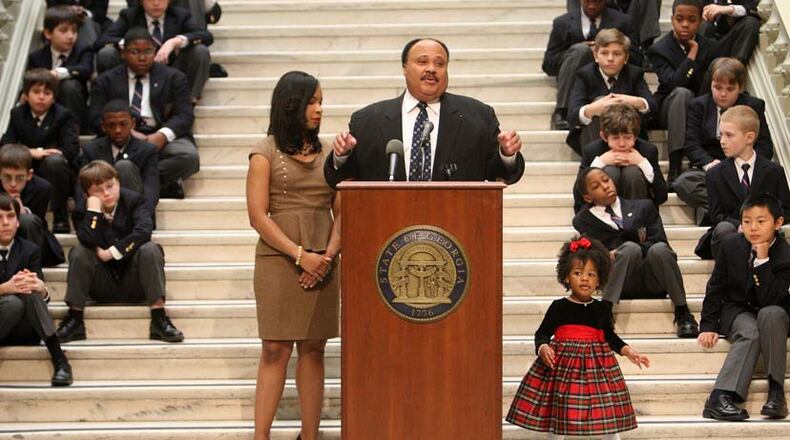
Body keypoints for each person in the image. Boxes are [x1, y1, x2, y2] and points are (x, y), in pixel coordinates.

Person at [246, 71, 340, 440]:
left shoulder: (332, 152)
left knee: (314, 349)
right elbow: (257, 216)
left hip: (326, 259)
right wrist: (302, 256)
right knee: (275, 348)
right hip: (279, 259)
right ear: (292, 105)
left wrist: (327, 257)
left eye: (321, 101)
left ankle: (310, 435)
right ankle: (261, 436)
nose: (319, 109)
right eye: (313, 101)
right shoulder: (263, 152)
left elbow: (343, 211)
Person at [324, 38, 524, 187]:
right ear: (404, 68)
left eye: (440, 64)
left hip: (456, 227)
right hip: (387, 228)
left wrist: (507, 154)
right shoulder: (367, 120)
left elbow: (501, 174)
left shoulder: (478, 116)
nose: (431, 69)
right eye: (422, 62)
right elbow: (338, 180)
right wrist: (342, 156)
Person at [506, 236, 648, 439]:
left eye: (591, 274)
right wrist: (543, 347)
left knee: (605, 409)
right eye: (578, 273)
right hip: (563, 368)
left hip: (597, 368)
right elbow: (542, 333)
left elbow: (610, 337)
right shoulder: (559, 307)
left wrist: (629, 352)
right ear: (566, 277)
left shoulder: (601, 309)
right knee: (561, 409)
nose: (585, 279)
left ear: (599, 280)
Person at [55, 160, 183, 343]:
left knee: (151, 249)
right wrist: (94, 212)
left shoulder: (134, 200)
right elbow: (87, 240)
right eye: (98, 190)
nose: (106, 193)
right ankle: (74, 319)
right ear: (87, 195)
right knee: (79, 252)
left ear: (118, 182)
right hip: (101, 284)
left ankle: (159, 319)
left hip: (135, 281)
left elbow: (144, 231)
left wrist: (112, 252)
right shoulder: (84, 210)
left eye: (110, 186)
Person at [573, 167, 700, 337]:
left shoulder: (643, 206)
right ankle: (605, 309)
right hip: (620, 282)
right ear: (588, 197)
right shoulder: (583, 220)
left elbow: (659, 240)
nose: (605, 186)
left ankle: (683, 312)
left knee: (659, 250)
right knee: (629, 249)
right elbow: (595, 258)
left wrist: (624, 249)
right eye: (596, 186)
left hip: (653, 277)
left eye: (606, 179)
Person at [698, 193, 790, 421]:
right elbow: (716, 287)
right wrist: (707, 325)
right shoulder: (730, 245)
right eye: (747, 221)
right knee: (750, 333)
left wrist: (762, 261)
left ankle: (776, 395)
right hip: (739, 309)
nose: (753, 227)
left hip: (775, 313)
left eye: (761, 221)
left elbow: (773, 299)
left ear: (778, 223)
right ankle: (720, 398)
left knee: (770, 314)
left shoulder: (786, 254)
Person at [89, 27, 199, 199]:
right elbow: (95, 117)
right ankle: (153, 184)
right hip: (120, 136)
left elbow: (185, 115)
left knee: (189, 156)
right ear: (123, 53)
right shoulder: (106, 80)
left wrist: (161, 136)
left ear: (154, 51)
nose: (142, 57)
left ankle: (139, 181)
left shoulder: (174, 77)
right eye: (135, 52)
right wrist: (128, 132)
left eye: (148, 51)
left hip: (159, 134)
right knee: (94, 159)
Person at [674, 57, 773, 225]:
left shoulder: (753, 106)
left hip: (745, 169)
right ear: (710, 84)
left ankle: (717, 212)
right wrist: (710, 164)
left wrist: (744, 163)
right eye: (717, 87)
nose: (722, 93)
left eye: (730, 88)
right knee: (684, 183)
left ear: (740, 88)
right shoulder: (698, 105)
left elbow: (764, 145)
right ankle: (741, 209)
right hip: (712, 168)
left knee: (766, 183)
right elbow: (691, 144)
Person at [696, 106, 790, 259]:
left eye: (729, 135)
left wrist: (762, 224)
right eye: (721, 135)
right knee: (723, 229)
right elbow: (716, 215)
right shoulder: (715, 174)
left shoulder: (774, 171)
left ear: (749, 138)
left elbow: (786, 209)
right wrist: (742, 226)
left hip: (764, 235)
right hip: (731, 233)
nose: (723, 141)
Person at [647, 0, 721, 189]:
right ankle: (674, 167)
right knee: (682, 93)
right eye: (680, 19)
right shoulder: (659, 49)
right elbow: (675, 82)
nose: (685, 24)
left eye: (691, 20)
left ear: (700, 22)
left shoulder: (711, 47)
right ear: (672, 20)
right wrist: (692, 54)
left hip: (698, 107)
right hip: (669, 108)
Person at [0, 193, 72, 386]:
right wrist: (5, 288)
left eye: (10, 216)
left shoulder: (30, 249)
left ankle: (60, 360)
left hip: (25, 327)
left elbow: (40, 297)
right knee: (12, 302)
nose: (5, 223)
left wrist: (42, 289)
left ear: (18, 222)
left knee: (30, 292)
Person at [1, 68, 79, 233]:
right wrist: (31, 152)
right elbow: (6, 145)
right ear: (26, 95)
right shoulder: (17, 114)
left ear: (54, 97)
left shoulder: (63, 115)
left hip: (57, 173)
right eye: (36, 92)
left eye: (47, 93)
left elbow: (71, 149)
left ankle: (60, 218)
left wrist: (44, 154)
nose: (41, 97)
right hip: (23, 170)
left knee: (55, 162)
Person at [543, 0, 640, 130]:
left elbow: (637, 58)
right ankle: (563, 109)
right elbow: (549, 65)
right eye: (587, 1)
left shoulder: (623, 21)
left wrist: (608, 51)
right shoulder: (562, 23)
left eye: (597, 2)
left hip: (609, 76)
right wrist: (574, 51)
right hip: (576, 74)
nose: (592, 6)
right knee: (580, 51)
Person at [94, 0, 213, 103]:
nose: (156, 3)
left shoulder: (180, 15)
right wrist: (130, 46)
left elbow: (206, 36)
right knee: (106, 54)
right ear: (141, 1)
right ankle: (117, 102)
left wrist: (175, 42)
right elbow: (103, 40)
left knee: (200, 51)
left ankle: (188, 101)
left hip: (172, 72)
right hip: (135, 72)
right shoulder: (130, 15)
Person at [567, 28, 656, 153]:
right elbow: (573, 114)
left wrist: (635, 101)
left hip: (629, 142)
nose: (610, 58)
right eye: (604, 53)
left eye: (616, 54)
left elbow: (652, 106)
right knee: (598, 105)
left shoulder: (634, 74)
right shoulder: (584, 75)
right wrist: (593, 109)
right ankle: (598, 159)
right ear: (595, 56)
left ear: (626, 58)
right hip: (592, 141)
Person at [573, 104, 666, 212]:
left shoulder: (647, 150)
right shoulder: (592, 151)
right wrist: (598, 164)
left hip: (639, 214)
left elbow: (662, 196)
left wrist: (643, 163)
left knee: (632, 173)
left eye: (627, 137)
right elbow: (578, 197)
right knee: (610, 172)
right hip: (603, 219)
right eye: (616, 138)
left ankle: (637, 226)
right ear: (604, 136)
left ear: (635, 136)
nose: (622, 144)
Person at [77, 99, 160, 218]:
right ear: (103, 126)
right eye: (111, 125)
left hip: (135, 216)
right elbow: (82, 187)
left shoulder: (147, 150)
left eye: (123, 124)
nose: (118, 130)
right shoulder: (91, 150)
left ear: (133, 124)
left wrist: (143, 218)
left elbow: (151, 188)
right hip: (102, 215)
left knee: (124, 166)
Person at [27, 6, 94, 130]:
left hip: (73, 105)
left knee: (69, 86)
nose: (70, 36)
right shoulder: (36, 57)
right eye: (64, 31)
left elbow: (85, 69)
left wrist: (57, 73)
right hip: (46, 104)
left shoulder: (83, 50)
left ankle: (72, 130)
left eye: (74, 31)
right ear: (48, 33)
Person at [0, 144, 65, 267]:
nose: (13, 184)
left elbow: (36, 223)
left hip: (33, 236)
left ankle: (31, 267)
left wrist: (21, 209)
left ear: (29, 175)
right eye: (7, 177)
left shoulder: (41, 188)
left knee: (27, 220)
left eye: (19, 178)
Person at [700, 0, 761, 64]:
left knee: (751, 22)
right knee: (705, 25)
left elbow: (754, 8)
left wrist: (730, 9)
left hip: (731, 42)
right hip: (705, 45)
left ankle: (735, 67)